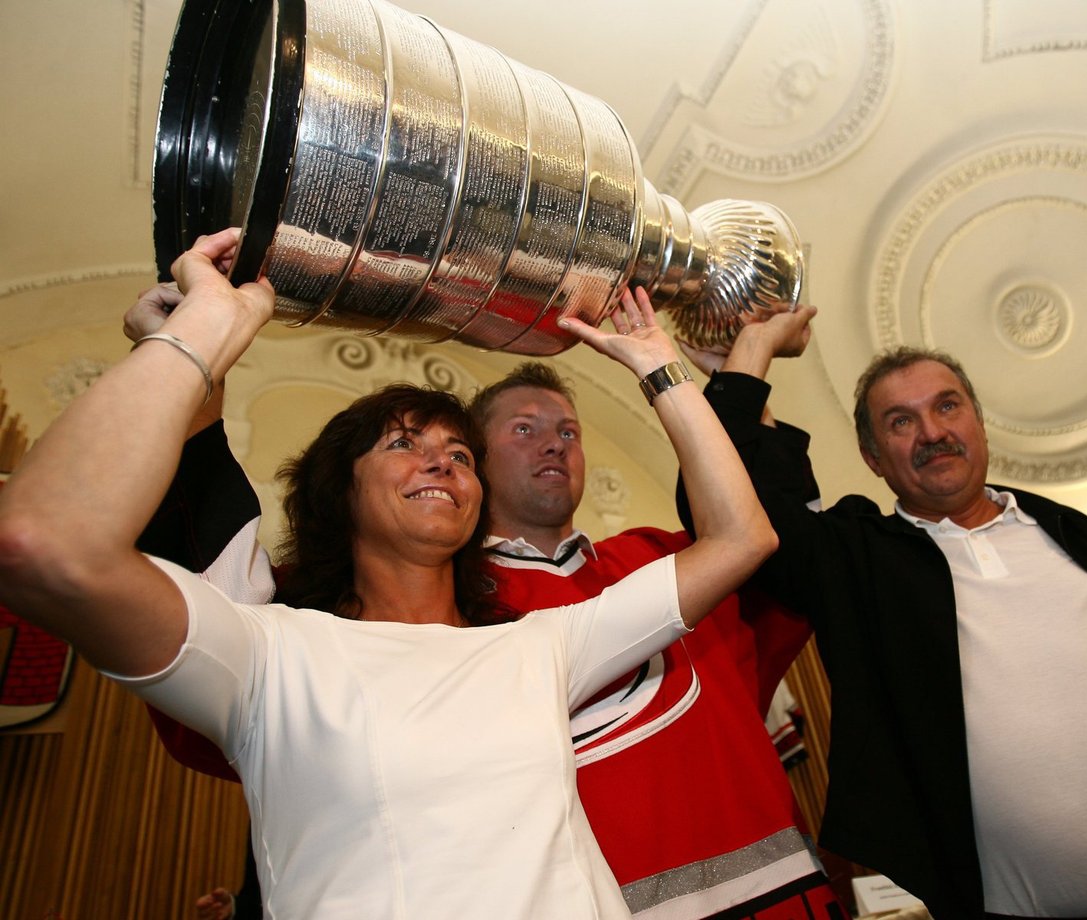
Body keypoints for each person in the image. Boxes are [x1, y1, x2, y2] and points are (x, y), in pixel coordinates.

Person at [0, 228, 778, 919]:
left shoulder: (539, 649)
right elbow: (45, 544)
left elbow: (740, 538)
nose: (442, 457)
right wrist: (199, 335)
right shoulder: (267, 658)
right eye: (403, 443)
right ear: (341, 491)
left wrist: (659, 367)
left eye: (461, 454)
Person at [127, 297, 847, 915]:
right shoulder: (405, 609)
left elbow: (780, 547)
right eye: (523, 430)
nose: (555, 445)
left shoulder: (657, 557)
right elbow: (221, 604)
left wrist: (734, 377)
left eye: (569, 430)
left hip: (786, 899)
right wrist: (193, 356)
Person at [686, 325, 1087, 919]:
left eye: (947, 406)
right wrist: (749, 357)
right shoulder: (864, 563)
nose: (932, 432)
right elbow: (742, 519)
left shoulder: (1078, 533)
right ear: (872, 458)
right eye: (900, 422)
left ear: (979, 423)